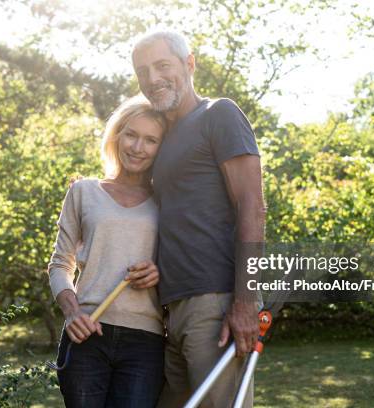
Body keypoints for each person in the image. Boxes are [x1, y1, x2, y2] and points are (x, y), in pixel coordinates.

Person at [131, 30, 266, 408]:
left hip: (215, 302)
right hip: (169, 310)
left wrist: (244, 301)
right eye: (143, 71)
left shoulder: (218, 114)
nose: (152, 78)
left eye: (162, 65)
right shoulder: (162, 138)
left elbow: (252, 206)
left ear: (189, 64)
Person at [47, 96, 167, 408]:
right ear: (116, 135)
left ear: (161, 147)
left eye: (150, 140)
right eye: (131, 134)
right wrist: (72, 312)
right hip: (86, 335)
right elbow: (60, 264)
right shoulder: (83, 191)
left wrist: (160, 271)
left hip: (146, 341)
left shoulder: (168, 201)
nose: (138, 147)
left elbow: (181, 261)